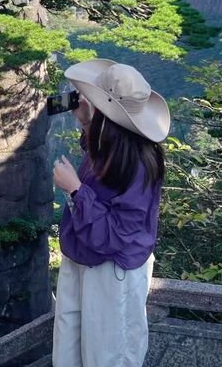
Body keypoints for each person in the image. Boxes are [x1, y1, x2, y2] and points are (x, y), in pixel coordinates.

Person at [51, 59, 170, 367]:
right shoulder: (118, 147)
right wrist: (89, 124)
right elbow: (104, 175)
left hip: (110, 273)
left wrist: (77, 190)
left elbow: (116, 235)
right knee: (71, 352)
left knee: (108, 356)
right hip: (85, 262)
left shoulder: (139, 166)